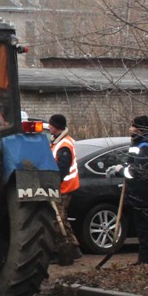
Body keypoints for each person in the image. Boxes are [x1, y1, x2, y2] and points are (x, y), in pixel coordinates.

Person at [107, 115, 148, 265]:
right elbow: (131, 164)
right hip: (137, 190)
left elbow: (138, 170)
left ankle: (144, 259)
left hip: (143, 191)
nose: (130, 129)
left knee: (143, 227)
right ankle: (143, 258)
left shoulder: (146, 146)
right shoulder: (138, 143)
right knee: (140, 226)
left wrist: (120, 171)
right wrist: (121, 167)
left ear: (139, 129)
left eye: (132, 126)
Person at [47, 113, 83, 265]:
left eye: (51, 124)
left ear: (56, 126)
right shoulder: (59, 141)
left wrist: (53, 183)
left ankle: (61, 251)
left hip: (63, 187)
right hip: (63, 186)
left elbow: (63, 168)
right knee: (62, 219)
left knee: (58, 220)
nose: (49, 126)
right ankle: (74, 248)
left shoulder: (64, 145)